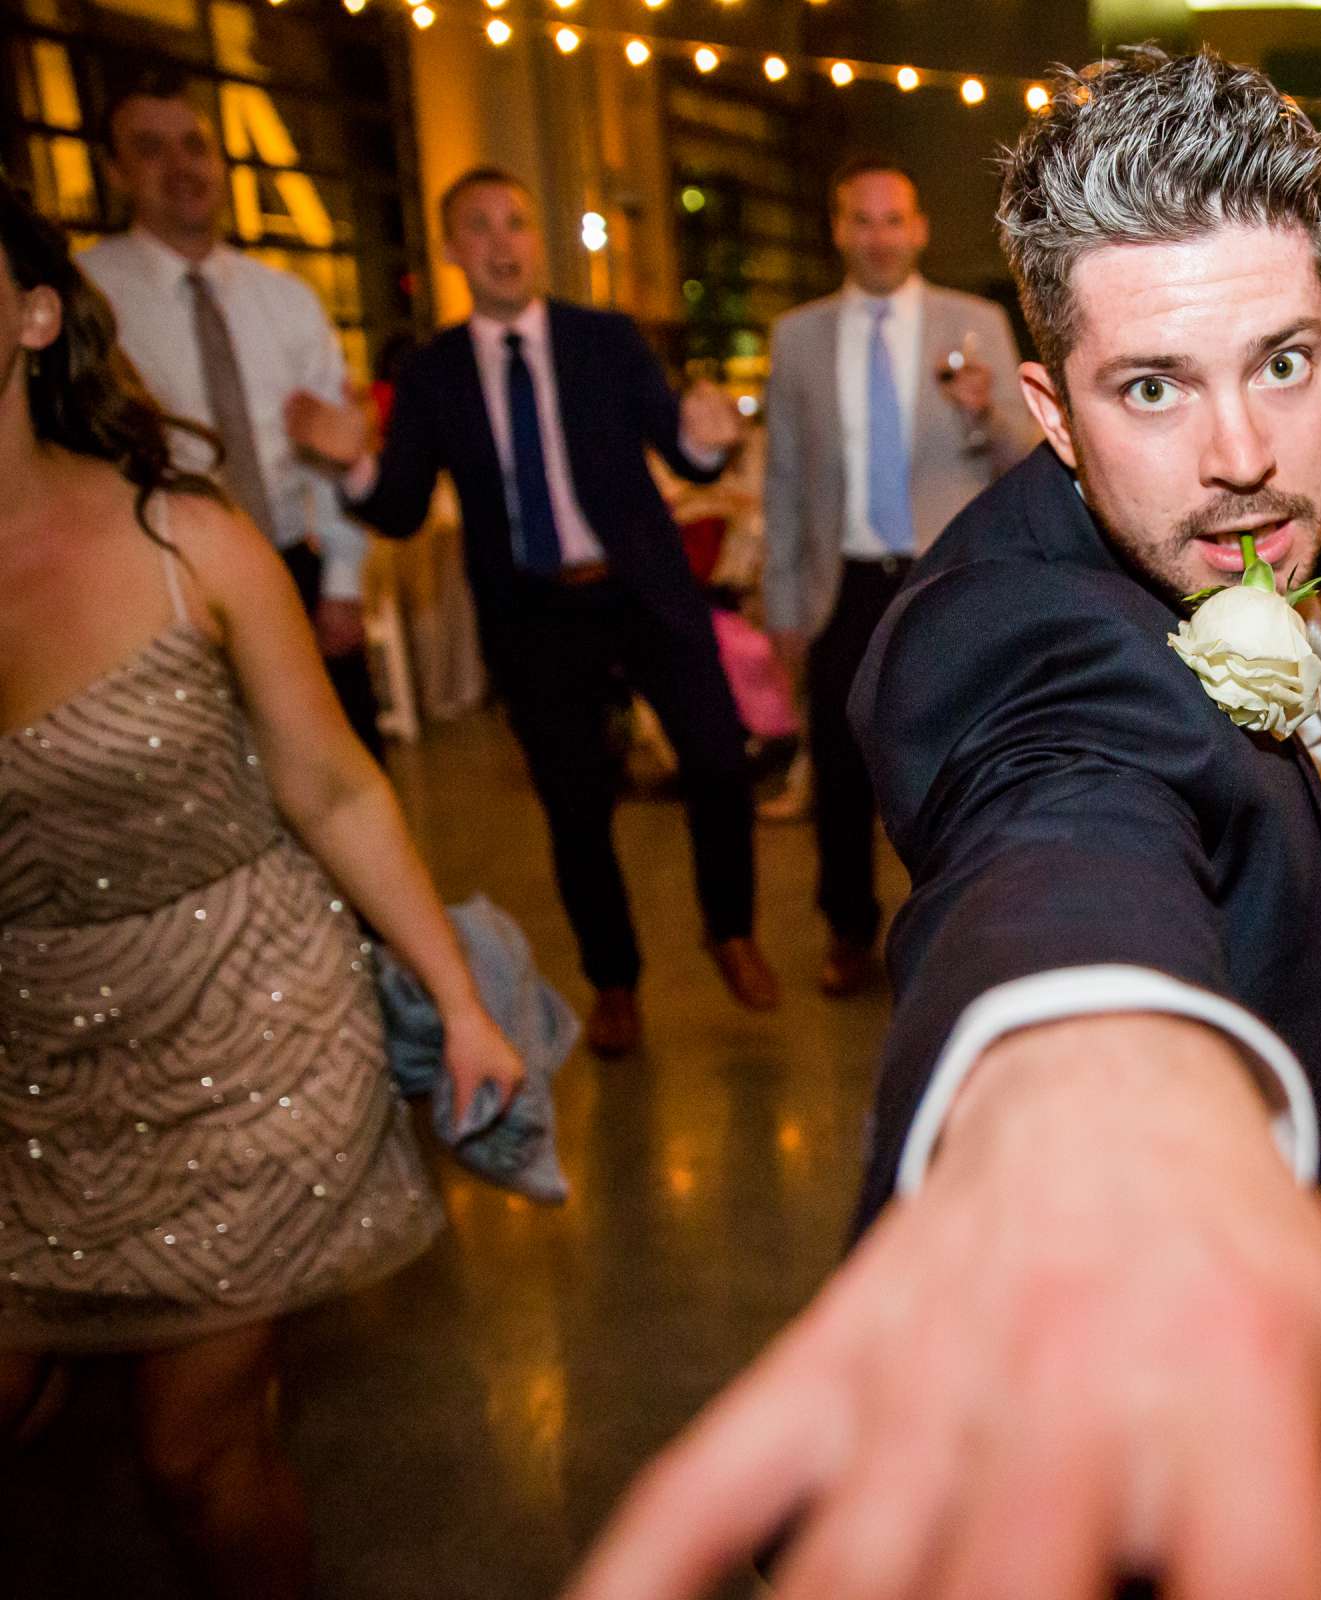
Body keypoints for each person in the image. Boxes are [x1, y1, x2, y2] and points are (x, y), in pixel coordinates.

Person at [564, 47, 1321, 1600]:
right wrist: (1093, 1080)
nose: (1241, 452)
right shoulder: (1016, 634)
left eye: (1288, 362)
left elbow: (1229, 325)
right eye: (1152, 387)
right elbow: (1061, 822)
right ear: (1050, 409)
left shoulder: (1236, 452)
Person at [0, 181, 522, 1600]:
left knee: (193, 1453)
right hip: (25, 1056)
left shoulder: (186, 538)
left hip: (251, 1021)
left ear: (34, 316)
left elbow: (337, 788)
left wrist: (460, 1004)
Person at [286, 167, 778, 1057]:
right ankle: (614, 980)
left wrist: (708, 443)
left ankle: (730, 929)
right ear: (451, 250)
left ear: (536, 240)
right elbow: (398, 506)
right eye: (478, 227)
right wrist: (350, 466)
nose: (502, 242)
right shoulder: (434, 371)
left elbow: (687, 451)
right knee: (575, 806)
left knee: (716, 760)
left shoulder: (606, 339)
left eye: (515, 222)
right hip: (534, 616)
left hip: (643, 592)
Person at [760, 158, 1045, 997]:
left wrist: (986, 411)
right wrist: (782, 604)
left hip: (947, 574)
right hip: (843, 582)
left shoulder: (979, 320)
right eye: (863, 220)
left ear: (918, 230)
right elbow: (782, 479)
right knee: (842, 774)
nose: (879, 236)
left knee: (959, 759)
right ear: (839, 230)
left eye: (894, 220)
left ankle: (960, 921)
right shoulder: (797, 337)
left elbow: (1029, 459)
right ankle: (849, 930)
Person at [77, 70, 386, 760]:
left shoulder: (286, 300)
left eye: (195, 145)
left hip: (288, 570)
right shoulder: (87, 301)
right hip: (155, 588)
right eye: (151, 148)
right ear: (115, 170)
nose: (181, 166)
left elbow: (327, 456)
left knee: (346, 774)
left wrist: (340, 585)